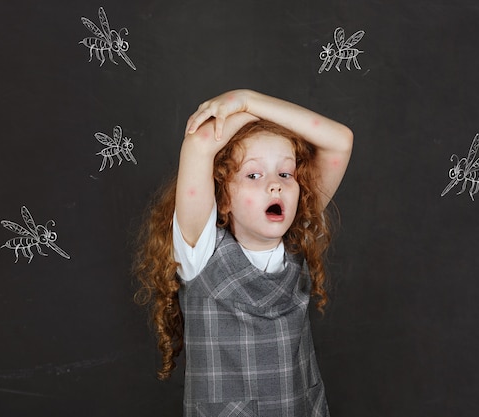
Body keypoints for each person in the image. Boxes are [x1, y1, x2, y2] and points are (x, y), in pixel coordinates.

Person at [134, 89, 353, 416]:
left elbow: (341, 140)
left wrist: (248, 100)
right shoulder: (199, 254)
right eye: (253, 174)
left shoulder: (297, 238)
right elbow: (198, 143)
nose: (275, 185)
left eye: (285, 173)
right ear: (222, 198)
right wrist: (247, 107)